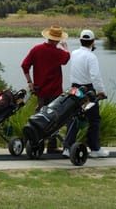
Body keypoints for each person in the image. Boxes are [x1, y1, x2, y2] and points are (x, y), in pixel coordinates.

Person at [21, 25, 70, 153]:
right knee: (54, 118)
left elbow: (24, 65)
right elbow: (66, 59)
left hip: (40, 91)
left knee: (39, 115)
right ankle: (52, 146)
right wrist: (66, 48)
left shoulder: (36, 49)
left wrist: (30, 82)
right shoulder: (59, 53)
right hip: (55, 92)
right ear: (57, 40)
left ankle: (32, 141)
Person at [62, 29, 109, 158]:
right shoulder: (91, 56)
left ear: (80, 41)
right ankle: (94, 149)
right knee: (94, 119)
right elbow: (95, 76)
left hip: (74, 90)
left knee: (73, 118)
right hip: (87, 91)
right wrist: (101, 92)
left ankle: (67, 147)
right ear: (92, 42)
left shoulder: (75, 53)